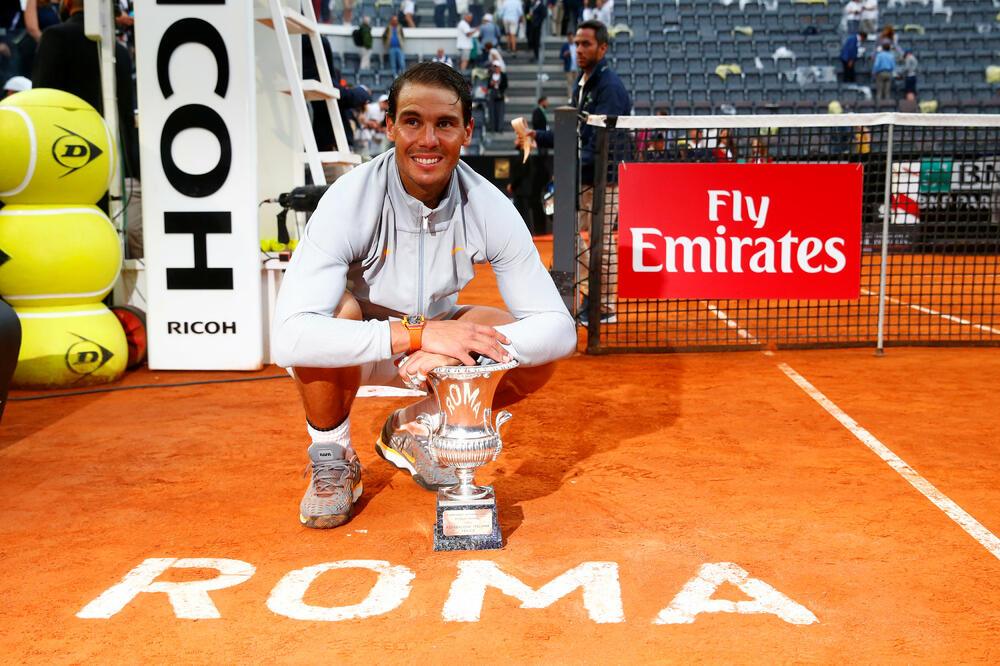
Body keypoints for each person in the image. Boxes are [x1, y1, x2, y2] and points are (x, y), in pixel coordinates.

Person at [270, 62, 576, 529]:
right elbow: (292, 337)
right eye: (412, 121)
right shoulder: (347, 200)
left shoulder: (489, 204)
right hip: (359, 344)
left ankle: (415, 427)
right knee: (333, 311)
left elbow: (558, 328)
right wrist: (417, 334)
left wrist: (451, 344)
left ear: (467, 131)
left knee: (525, 348)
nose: (428, 140)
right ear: (390, 125)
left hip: (437, 346)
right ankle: (333, 456)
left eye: (445, 124)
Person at [516, 20, 631, 324]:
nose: (578, 49)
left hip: (604, 179)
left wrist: (567, 170)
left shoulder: (610, 88)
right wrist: (536, 135)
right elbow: (570, 133)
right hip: (582, 178)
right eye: (577, 43)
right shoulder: (582, 83)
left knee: (602, 246)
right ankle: (587, 297)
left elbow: (602, 143)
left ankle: (603, 308)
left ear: (602, 48)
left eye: (586, 44)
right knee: (570, 238)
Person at [32, 0, 139, 180]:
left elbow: (41, 101)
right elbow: (126, 115)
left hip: (64, 157)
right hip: (110, 161)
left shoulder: (55, 36)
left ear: (68, 3)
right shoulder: (119, 51)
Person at [485, 61, 507, 131]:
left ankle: (499, 127)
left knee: (500, 111)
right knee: (492, 111)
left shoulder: (503, 75)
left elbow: (505, 85)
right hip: (492, 93)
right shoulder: (491, 75)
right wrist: (491, 84)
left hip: (500, 93)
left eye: (497, 67)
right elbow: (488, 85)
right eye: (494, 67)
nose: (496, 68)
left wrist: (498, 85)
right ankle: (492, 127)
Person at [559, 32, 577, 99]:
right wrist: (565, 54)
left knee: (577, 83)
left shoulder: (577, 45)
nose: (571, 39)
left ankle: (576, 97)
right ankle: (570, 97)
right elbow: (561, 56)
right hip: (569, 68)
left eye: (572, 37)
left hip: (576, 68)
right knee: (570, 83)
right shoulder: (565, 46)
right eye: (569, 37)